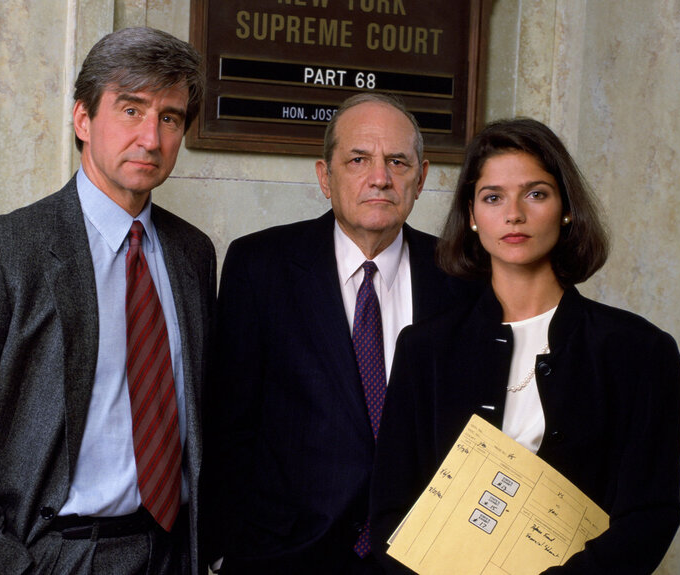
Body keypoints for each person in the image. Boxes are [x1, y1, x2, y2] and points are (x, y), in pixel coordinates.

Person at [0, 27, 215, 575]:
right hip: (44, 553)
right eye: (131, 109)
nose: (151, 137)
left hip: (166, 553)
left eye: (170, 117)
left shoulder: (193, 253)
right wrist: (1, 564)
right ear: (83, 119)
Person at [370, 118, 680, 574]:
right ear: (473, 216)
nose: (513, 213)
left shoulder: (639, 351)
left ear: (566, 208)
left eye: (536, 193)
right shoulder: (425, 349)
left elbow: (649, 517)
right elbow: (390, 515)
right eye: (493, 197)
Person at [201, 92, 477, 574]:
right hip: (284, 556)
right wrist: (225, 549)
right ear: (325, 177)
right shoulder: (259, 266)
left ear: (422, 178)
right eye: (358, 160)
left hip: (419, 558)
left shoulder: (461, 277)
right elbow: (229, 426)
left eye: (397, 161)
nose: (380, 178)